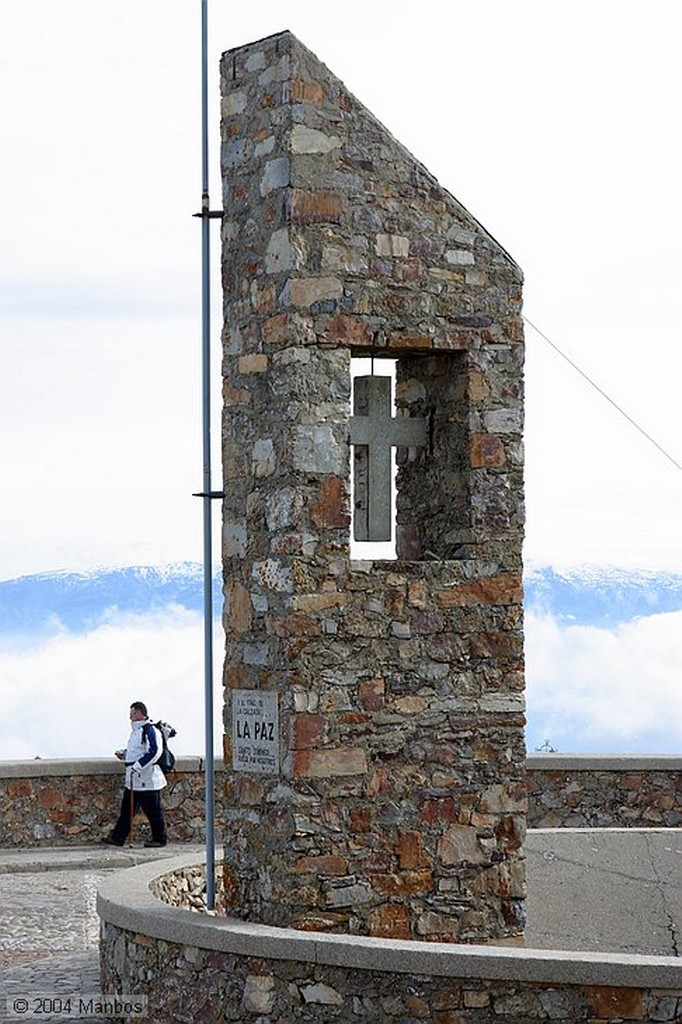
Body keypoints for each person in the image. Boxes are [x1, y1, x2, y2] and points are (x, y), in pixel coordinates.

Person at [103, 701, 168, 848]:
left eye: (132, 712)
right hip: (133, 779)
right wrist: (125, 755)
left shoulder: (150, 730)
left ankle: (160, 839)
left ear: (139, 713)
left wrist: (137, 766)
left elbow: (154, 752)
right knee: (126, 811)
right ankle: (118, 837)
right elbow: (137, 752)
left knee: (153, 812)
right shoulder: (137, 732)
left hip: (147, 780)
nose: (130, 716)